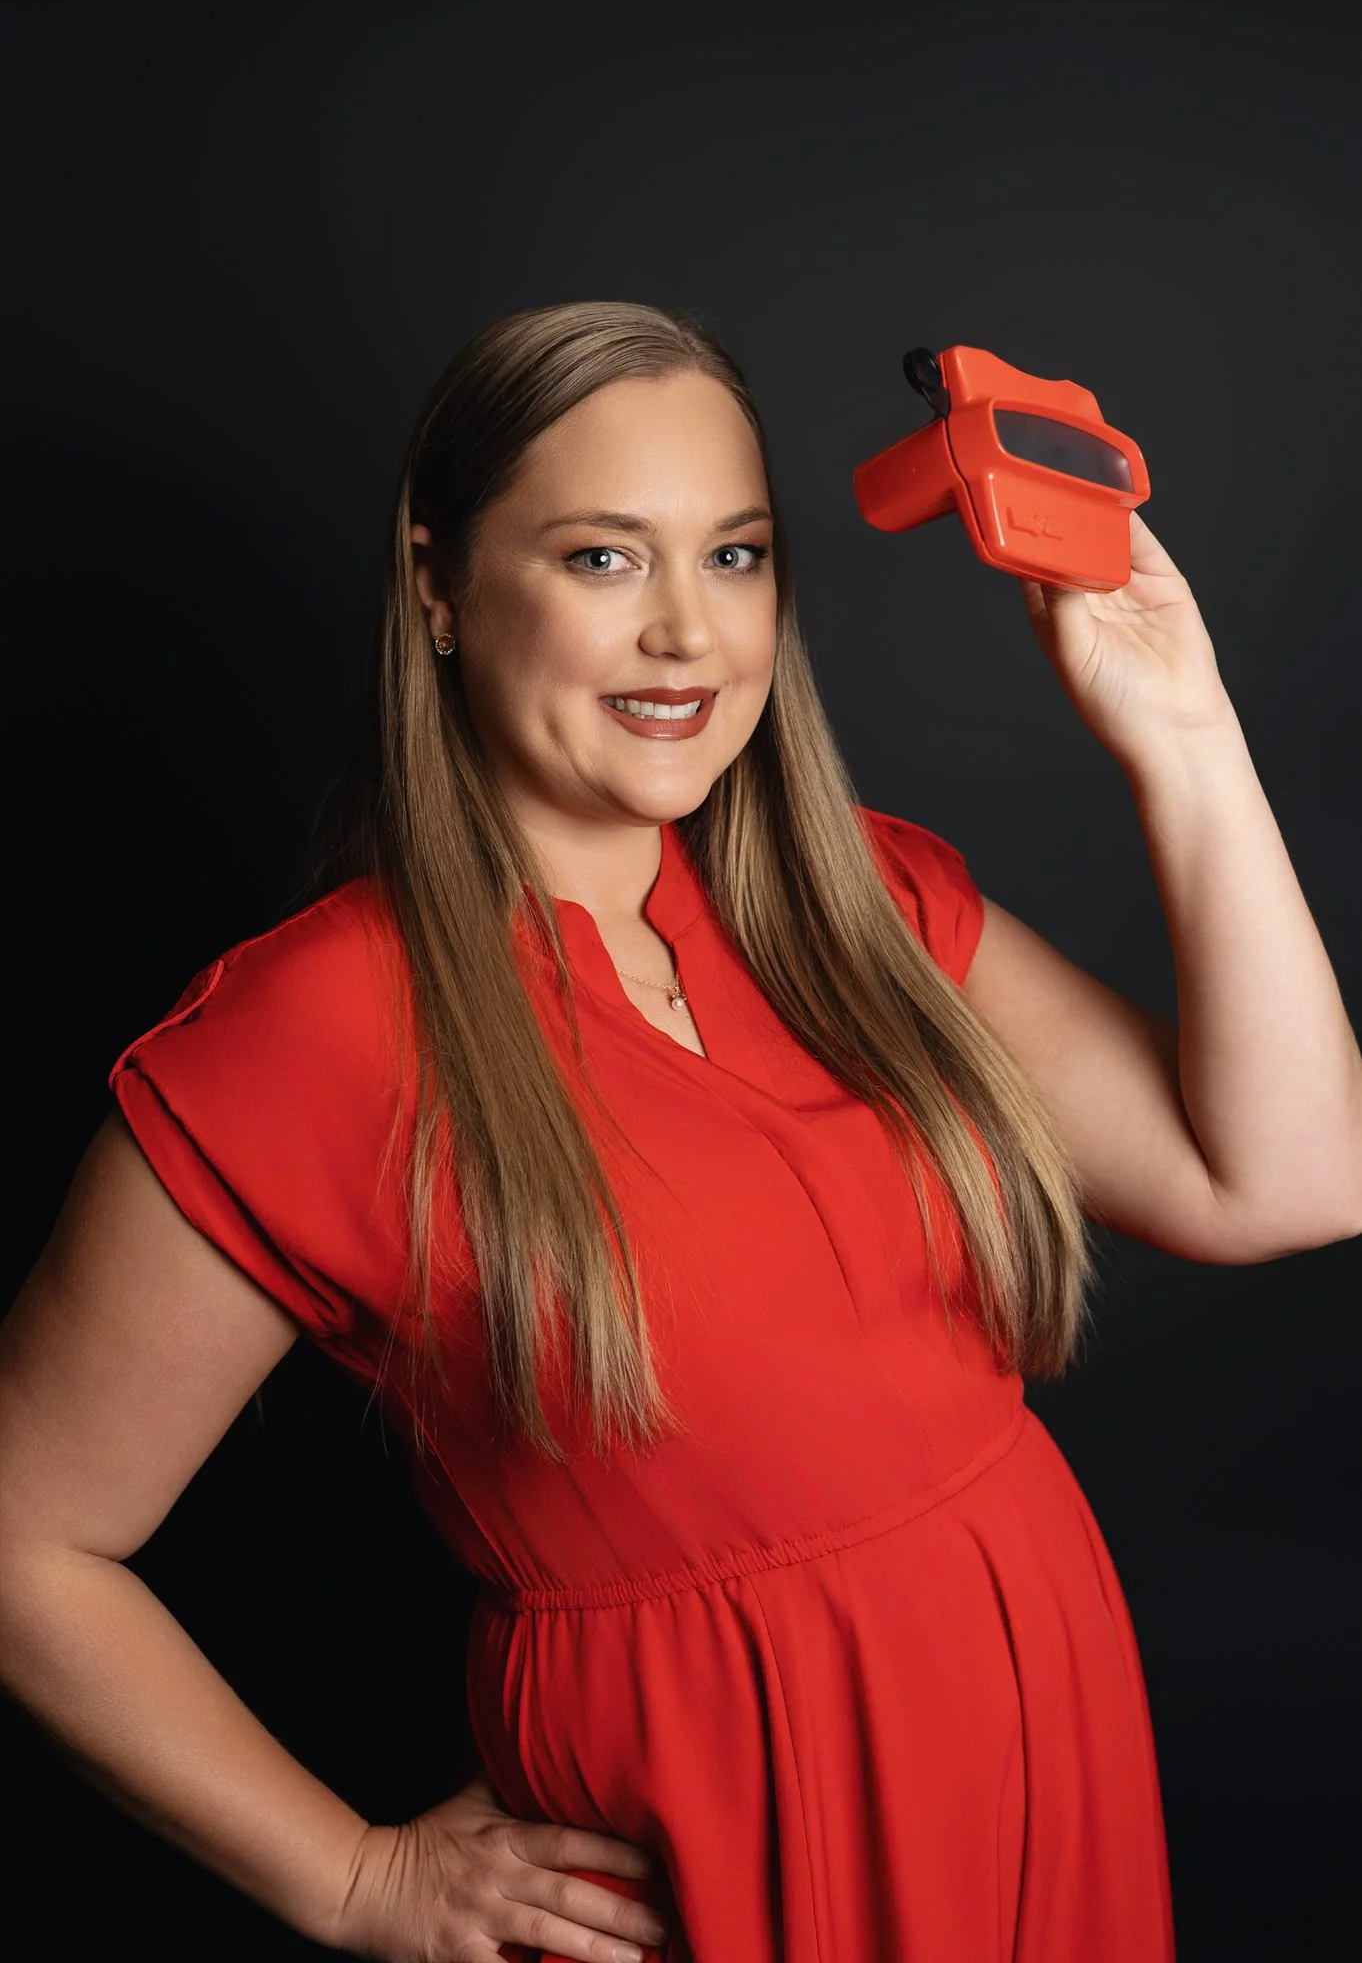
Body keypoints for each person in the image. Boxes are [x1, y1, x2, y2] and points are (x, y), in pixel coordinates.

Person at [2, 300, 1359, 1963]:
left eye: (733, 557)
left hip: (1040, 1745)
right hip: (722, 1818)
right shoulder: (316, 1030)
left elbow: (1289, 1178)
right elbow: (22, 1542)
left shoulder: (849, 896)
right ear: (437, 586)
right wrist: (350, 1877)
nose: (686, 637)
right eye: (599, 559)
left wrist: (1186, 734)